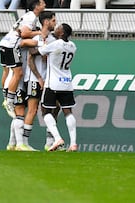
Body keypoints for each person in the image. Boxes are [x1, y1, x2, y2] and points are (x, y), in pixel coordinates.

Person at [37, 23, 78, 152]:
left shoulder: (56, 44)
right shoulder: (73, 46)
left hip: (53, 83)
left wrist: (41, 43)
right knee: (68, 112)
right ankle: (73, 143)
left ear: (62, 33)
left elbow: (39, 52)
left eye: (58, 28)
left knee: (45, 111)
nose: (56, 29)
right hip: (66, 82)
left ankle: (57, 138)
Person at [3, 0, 46, 119]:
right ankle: (8, 101)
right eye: (42, 3)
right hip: (12, 44)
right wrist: (39, 34)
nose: (45, 5)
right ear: (37, 6)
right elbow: (24, 34)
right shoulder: (31, 16)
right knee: (17, 73)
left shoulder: (29, 17)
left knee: (9, 71)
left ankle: (7, 98)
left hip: (6, 43)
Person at [24, 11, 57, 151]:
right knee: (32, 109)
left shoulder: (53, 40)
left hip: (48, 80)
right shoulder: (36, 37)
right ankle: (23, 143)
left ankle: (50, 142)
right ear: (46, 22)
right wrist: (38, 78)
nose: (55, 23)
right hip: (33, 78)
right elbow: (30, 58)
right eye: (53, 20)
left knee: (54, 107)